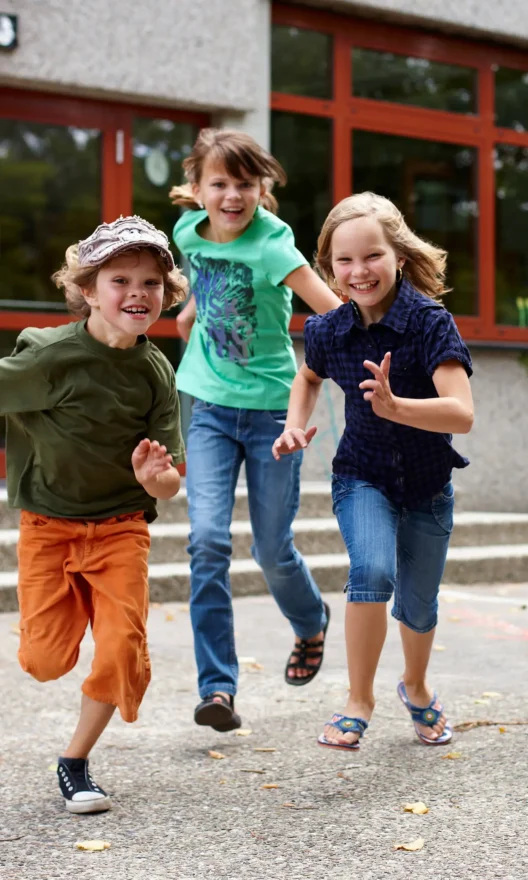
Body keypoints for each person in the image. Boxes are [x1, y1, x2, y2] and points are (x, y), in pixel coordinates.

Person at [272, 192, 474, 750]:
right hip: (361, 477)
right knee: (373, 572)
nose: (358, 271)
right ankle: (358, 699)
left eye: (372, 256)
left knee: (418, 604)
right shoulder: (329, 330)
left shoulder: (429, 323)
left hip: (428, 485)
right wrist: (294, 423)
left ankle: (416, 685)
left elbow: (463, 412)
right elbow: (309, 377)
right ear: (329, 268)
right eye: (344, 260)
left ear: (399, 257)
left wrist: (398, 407)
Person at [5, 216, 187, 812]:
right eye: (120, 279)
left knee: (117, 651)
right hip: (49, 528)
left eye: (151, 282)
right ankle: (79, 615)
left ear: (167, 293)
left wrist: (155, 477)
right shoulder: (49, 357)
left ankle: (76, 762)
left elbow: (169, 481)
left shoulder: (155, 371)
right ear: (88, 289)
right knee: (44, 659)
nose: (138, 292)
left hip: (119, 530)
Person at [168, 128, 341, 733]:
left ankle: (311, 620)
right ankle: (218, 688)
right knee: (207, 542)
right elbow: (202, 286)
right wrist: (190, 318)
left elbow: (333, 311)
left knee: (271, 548)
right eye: (219, 183)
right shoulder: (186, 233)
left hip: (273, 412)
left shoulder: (275, 246)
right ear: (198, 190)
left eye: (245, 184)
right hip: (209, 409)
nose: (232, 195)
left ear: (261, 189)